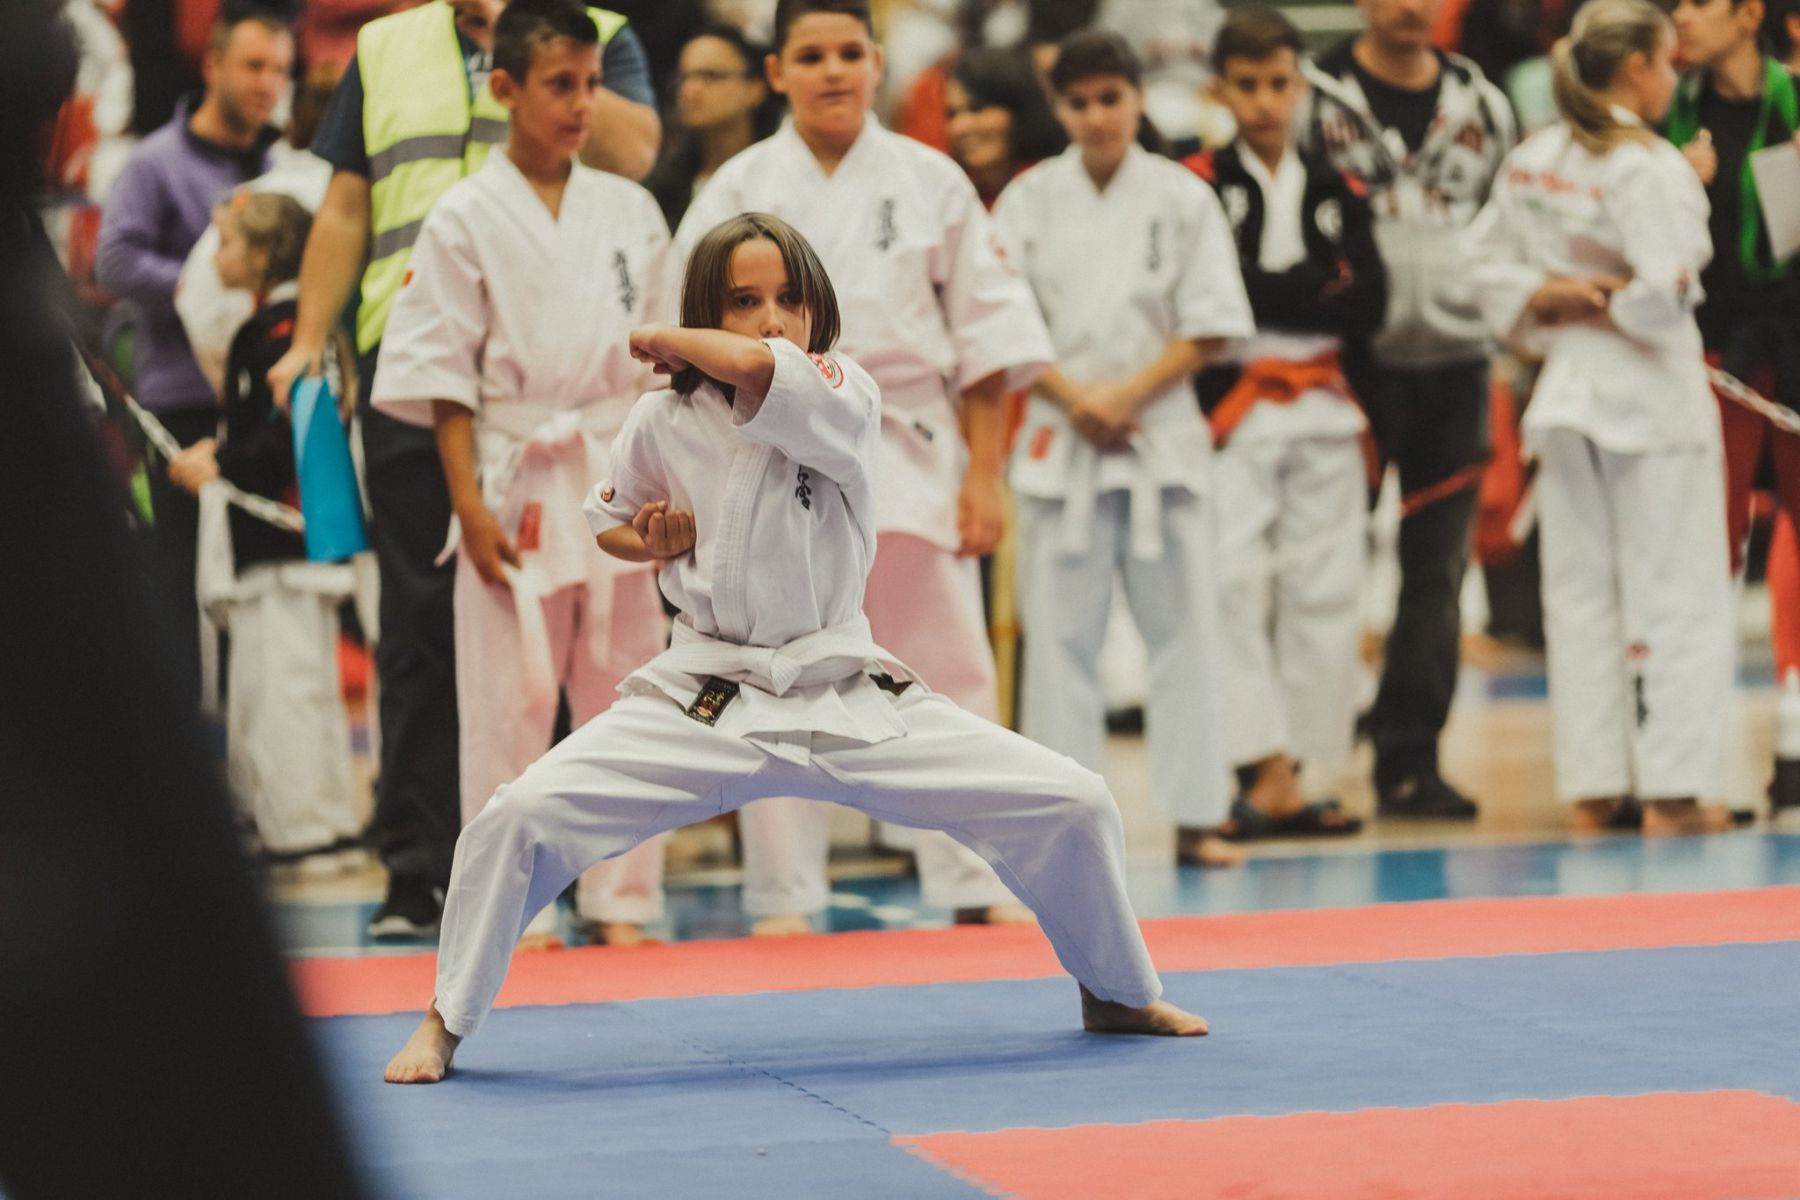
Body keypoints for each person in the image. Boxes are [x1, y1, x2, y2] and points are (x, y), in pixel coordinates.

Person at [383, 211, 1210, 1084]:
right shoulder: (662, 418)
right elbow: (612, 522)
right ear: (712, 308)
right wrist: (654, 539)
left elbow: (759, 369)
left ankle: (1116, 992)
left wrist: (670, 337)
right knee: (516, 815)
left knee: (1074, 800)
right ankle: (445, 1019)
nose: (772, 319)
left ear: (819, 310)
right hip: (706, 695)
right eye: (744, 302)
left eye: (790, 299)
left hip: (841, 689)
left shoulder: (844, 390)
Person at [269, 0, 659, 939]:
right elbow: (434, 365)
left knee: (617, 675)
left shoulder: (625, 186)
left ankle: (613, 892)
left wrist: (663, 483)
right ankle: (471, 889)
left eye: (589, 85)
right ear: (507, 90)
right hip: (476, 438)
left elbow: (661, 359)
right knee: (476, 672)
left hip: (606, 446)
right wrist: (468, 510)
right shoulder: (429, 141)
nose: (581, 102)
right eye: (562, 86)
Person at [674, 0, 1054, 933]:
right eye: (811, 56)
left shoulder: (932, 179)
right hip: (767, 449)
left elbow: (987, 343)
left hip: (909, 441)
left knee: (946, 665)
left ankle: (974, 879)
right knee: (776, 674)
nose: (834, 71)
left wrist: (984, 475)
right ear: (776, 73)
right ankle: (784, 894)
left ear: (878, 63)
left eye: (851, 52)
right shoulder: (736, 187)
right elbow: (689, 343)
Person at [1466, 0, 1737, 836]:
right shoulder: (1647, 165)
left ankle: (1595, 787)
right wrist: (1609, 297)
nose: (1674, 78)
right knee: (1675, 588)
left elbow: (1482, 266)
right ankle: (1673, 792)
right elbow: (1665, 294)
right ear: (1635, 68)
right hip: (1650, 398)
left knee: (1579, 594)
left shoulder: (1537, 157)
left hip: (1570, 394)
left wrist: (1548, 297)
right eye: (1668, 62)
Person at [991, 31, 1252, 869]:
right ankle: (1061, 827)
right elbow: (1005, 325)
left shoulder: (1183, 197)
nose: (1098, 116)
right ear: (1059, 107)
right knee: (1059, 643)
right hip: (1060, 437)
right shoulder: (1029, 199)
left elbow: (1211, 324)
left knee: (1185, 634)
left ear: (1139, 97)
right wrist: (1079, 400)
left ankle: (1198, 817)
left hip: (1158, 437)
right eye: (1080, 103)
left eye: (1112, 98)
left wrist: (1125, 396)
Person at [1299, 0, 1515, 820]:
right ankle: (1302, 758)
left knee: (1438, 572)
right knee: (1319, 565)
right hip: (1346, 363)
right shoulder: (1313, 99)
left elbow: (1511, 227)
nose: (1415, 6)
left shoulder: (1483, 104)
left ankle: (1409, 757)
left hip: (1458, 363)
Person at [1187, 7, 1385, 840]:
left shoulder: (1341, 185)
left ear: (1301, 87)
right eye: (1248, 85)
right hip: (1233, 405)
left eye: (1278, 83)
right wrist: (1308, 287)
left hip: (1327, 404)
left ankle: (1308, 772)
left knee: (1327, 588)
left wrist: (1274, 292)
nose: (1265, 101)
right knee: (1228, 582)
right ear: (1219, 90)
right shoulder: (1196, 181)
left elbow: (1369, 303)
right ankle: (1258, 763)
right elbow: (1214, 296)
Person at [96, 5, 291, 709]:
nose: (268, 83)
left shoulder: (283, 164)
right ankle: (186, 738)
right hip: (181, 401)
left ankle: (260, 737)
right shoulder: (155, 162)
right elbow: (114, 259)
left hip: (260, 408)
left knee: (265, 579)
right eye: (253, 66)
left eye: (280, 69)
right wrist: (204, 288)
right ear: (212, 66)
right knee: (186, 579)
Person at [166, 191, 363, 865]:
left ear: (262, 255)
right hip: (281, 540)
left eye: (225, 243)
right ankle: (315, 817)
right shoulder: (278, 328)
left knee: (285, 688)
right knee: (278, 684)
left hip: (283, 536)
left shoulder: (282, 334)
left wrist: (221, 461)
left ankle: (303, 825)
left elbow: (287, 442)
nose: (215, 258)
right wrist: (220, 455)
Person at [1667, 0, 1800, 814]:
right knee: (1705, 546)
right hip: (1711, 356)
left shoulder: (1794, 103)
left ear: (1750, 14)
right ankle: (1692, 762)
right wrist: (1675, 187)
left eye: (1699, 3)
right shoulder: (1668, 115)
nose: (1682, 18)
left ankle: (1796, 738)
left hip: (1794, 345)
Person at [642, 24, 777, 231]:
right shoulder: (663, 186)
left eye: (711, 75)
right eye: (683, 77)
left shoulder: (780, 171)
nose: (690, 90)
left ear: (755, 88)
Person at [943, 44, 1065, 207]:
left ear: (1018, 109)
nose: (960, 127)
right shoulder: (952, 196)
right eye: (952, 114)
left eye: (977, 108)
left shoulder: (1055, 187)